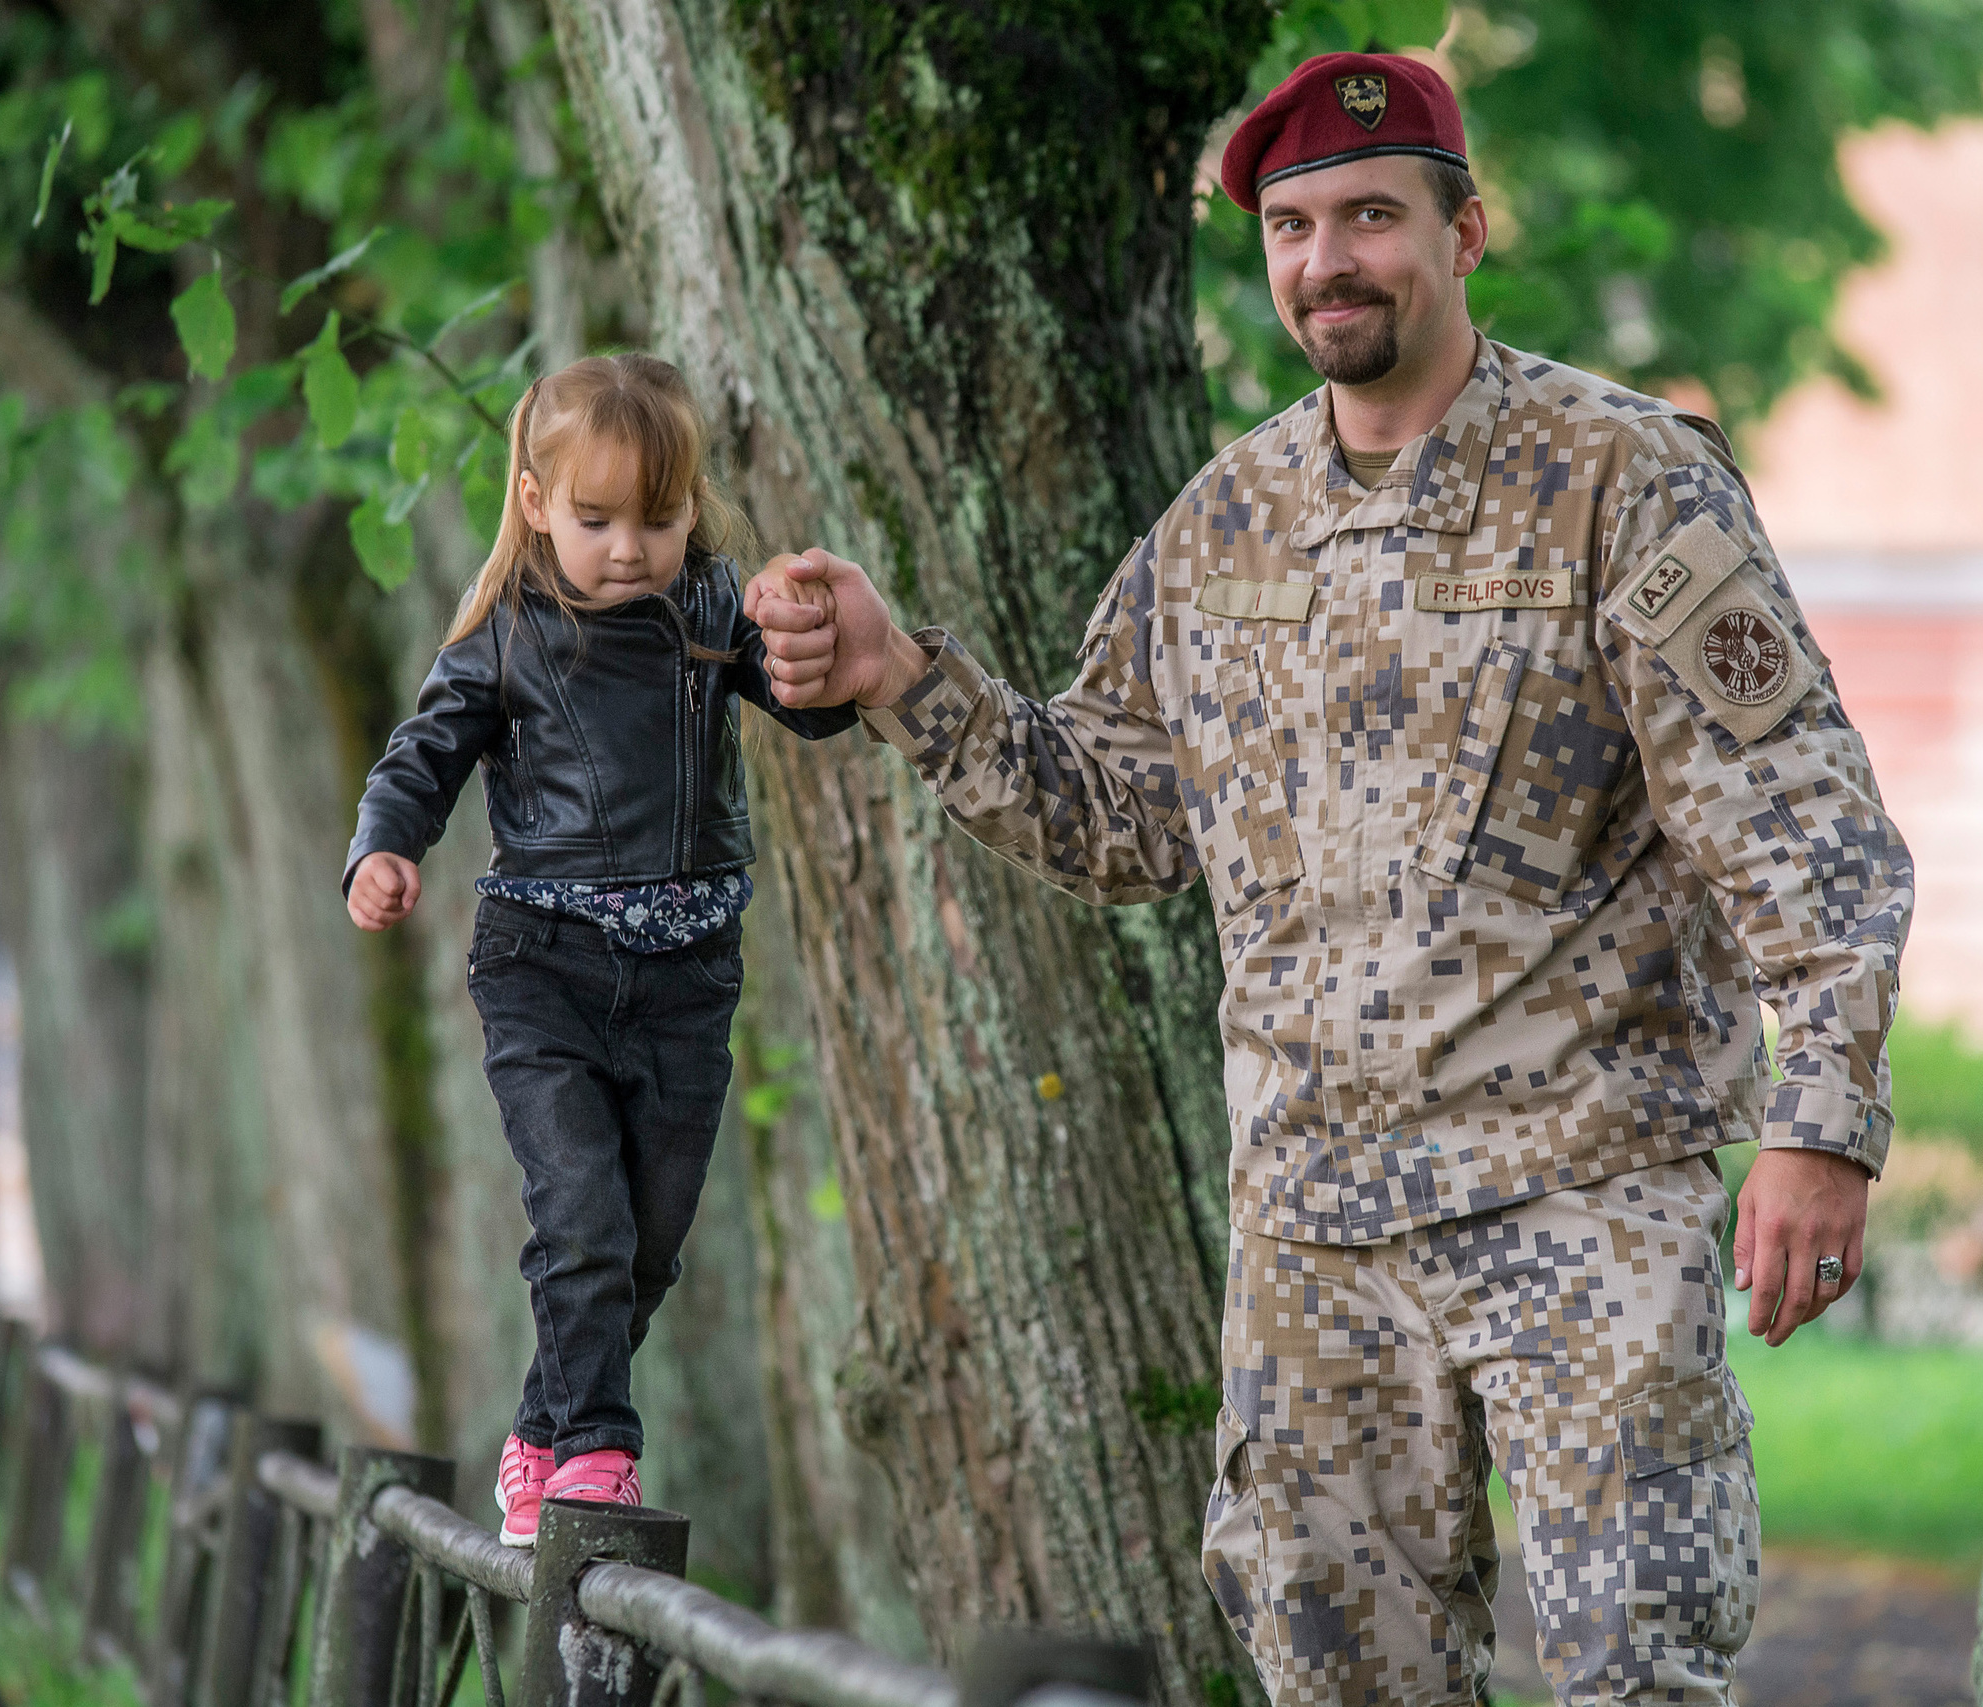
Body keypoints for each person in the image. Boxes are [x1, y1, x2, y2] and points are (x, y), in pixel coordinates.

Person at [745, 51, 1913, 1707]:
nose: (1328, 261)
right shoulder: (1222, 528)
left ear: (1462, 230)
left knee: (1637, 1671)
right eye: (1294, 227)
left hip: (1577, 1198)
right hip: (1314, 1237)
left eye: (1372, 215)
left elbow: (1803, 820)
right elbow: (1116, 814)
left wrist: (1823, 1120)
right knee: (1335, 1677)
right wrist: (897, 675)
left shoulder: (1619, 477)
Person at [342, 354, 856, 1547]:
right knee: (581, 1214)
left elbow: (811, 707)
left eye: (659, 520)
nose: (630, 547)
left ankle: (538, 1435)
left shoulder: (714, 607)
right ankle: (595, 1458)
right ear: (534, 503)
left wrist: (810, 644)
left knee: (649, 1247)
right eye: (596, 519)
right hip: (546, 967)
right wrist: (383, 846)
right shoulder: (506, 638)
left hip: (688, 976)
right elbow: (422, 754)